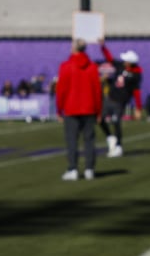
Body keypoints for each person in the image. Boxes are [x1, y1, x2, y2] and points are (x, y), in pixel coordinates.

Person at [55, 39, 102, 182]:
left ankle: (73, 168)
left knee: (72, 140)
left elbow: (61, 89)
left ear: (75, 49)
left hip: (71, 108)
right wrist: (98, 110)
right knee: (89, 140)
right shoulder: (93, 67)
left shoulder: (66, 66)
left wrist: (59, 109)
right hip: (89, 108)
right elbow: (97, 90)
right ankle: (89, 169)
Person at [99, 45, 143, 158]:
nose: (123, 61)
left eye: (126, 60)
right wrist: (102, 46)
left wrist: (138, 107)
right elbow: (110, 58)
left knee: (116, 121)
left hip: (121, 101)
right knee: (100, 119)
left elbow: (136, 91)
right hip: (110, 97)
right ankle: (110, 137)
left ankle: (118, 146)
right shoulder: (120, 66)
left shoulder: (136, 74)